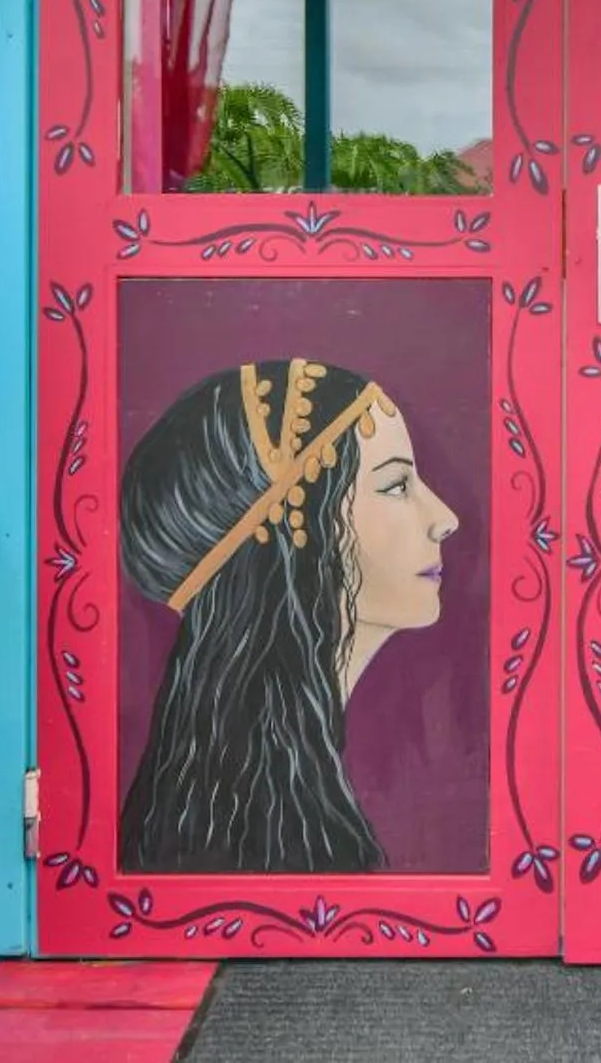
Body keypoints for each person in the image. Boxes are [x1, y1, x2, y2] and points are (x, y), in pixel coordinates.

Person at [118, 357, 459, 872]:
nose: (445, 519)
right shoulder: (263, 836)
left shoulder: (272, 808)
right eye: (395, 486)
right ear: (294, 537)